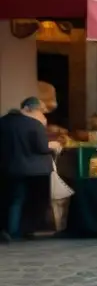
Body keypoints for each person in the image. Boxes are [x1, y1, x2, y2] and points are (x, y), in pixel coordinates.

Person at [0, 96, 56, 241]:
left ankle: (10, 230)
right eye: (40, 111)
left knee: (13, 199)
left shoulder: (2, 123)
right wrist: (53, 147)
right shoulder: (34, 125)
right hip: (36, 170)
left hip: (8, 168)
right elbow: (42, 147)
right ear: (27, 109)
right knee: (33, 202)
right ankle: (24, 230)